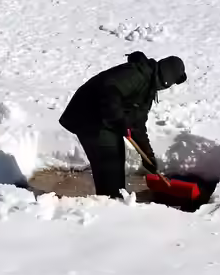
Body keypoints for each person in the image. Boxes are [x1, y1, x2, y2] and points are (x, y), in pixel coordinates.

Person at [59, 51, 187, 199]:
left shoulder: (148, 87)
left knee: (116, 160)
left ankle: (114, 200)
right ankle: (109, 205)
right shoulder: (137, 74)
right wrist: (119, 119)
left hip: (105, 121)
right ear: (167, 79)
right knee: (109, 164)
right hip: (89, 117)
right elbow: (109, 90)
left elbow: (137, 125)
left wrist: (148, 158)